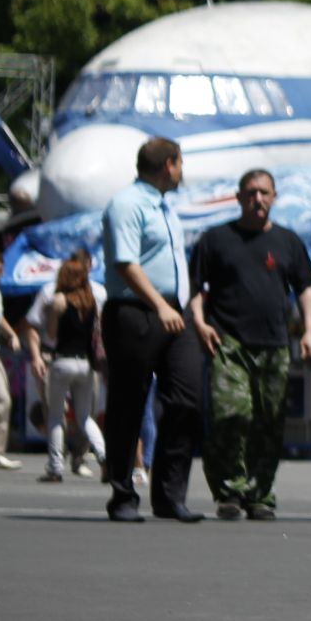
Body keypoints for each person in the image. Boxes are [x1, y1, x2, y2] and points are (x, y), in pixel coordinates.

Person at [188, 169, 311, 520]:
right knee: (233, 415)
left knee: (269, 422)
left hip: (274, 346)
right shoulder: (215, 240)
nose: (256, 199)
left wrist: (310, 332)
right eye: (250, 193)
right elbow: (197, 291)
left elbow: (306, 289)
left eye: (263, 193)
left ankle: (260, 494)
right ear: (238, 196)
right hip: (229, 343)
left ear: (274, 197)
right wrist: (200, 323)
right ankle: (230, 490)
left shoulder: (289, 242)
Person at [100, 136, 205, 522]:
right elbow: (126, 262)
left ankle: (169, 495)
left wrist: (182, 306)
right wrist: (159, 305)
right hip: (135, 311)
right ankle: (123, 494)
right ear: (169, 165)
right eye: (181, 164)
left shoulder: (165, 208)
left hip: (173, 312)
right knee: (129, 402)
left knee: (187, 398)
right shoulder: (126, 204)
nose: (182, 171)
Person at [22, 248, 104, 479]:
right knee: (85, 415)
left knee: (56, 416)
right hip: (86, 363)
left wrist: (56, 315)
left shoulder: (58, 300)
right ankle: (104, 455)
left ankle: (56, 466)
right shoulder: (93, 301)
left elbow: (51, 333)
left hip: (61, 361)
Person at [0, 246, 18, 471]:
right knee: (1, 400)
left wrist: (10, 334)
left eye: (1, 266)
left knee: (3, 400)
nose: (1, 270)